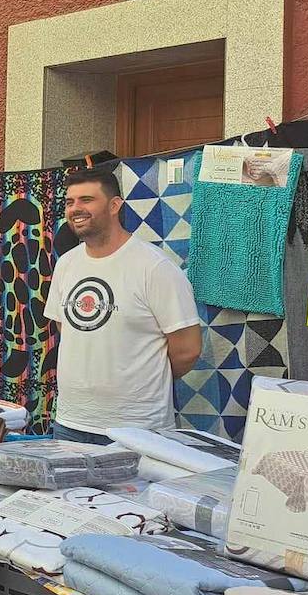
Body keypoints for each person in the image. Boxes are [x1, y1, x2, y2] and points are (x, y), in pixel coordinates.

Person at [44, 169, 203, 445]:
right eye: (70, 202)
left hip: (137, 429)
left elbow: (187, 350)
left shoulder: (154, 267)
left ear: (115, 205)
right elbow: (67, 330)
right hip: (70, 423)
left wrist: (144, 381)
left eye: (86, 200)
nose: (76, 209)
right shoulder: (66, 264)